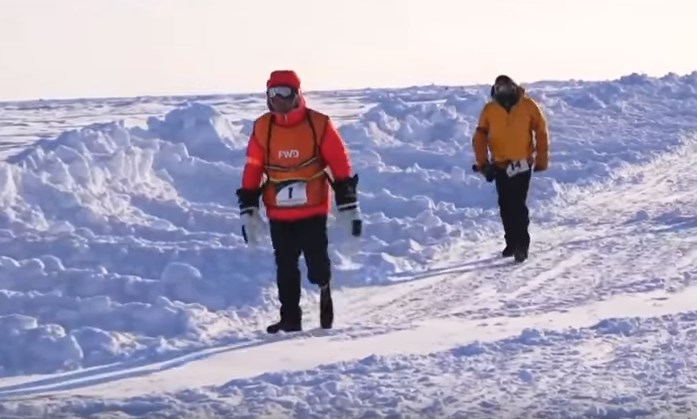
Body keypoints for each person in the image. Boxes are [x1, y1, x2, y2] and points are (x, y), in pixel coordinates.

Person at [235, 70, 362, 334]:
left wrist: (347, 200)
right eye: (273, 93)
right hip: (278, 212)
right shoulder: (262, 127)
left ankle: (324, 289)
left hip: (313, 209)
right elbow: (253, 166)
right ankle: (290, 317)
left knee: (316, 263)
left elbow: (339, 161)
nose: (278, 99)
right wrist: (248, 204)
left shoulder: (319, 124)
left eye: (284, 93)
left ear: (297, 95)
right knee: (285, 266)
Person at [471, 75, 549, 263]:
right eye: (500, 89)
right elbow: (480, 136)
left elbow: (541, 131)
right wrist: (483, 164)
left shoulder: (528, 106)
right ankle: (511, 242)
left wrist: (541, 160)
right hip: (500, 165)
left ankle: (522, 244)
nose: (504, 93)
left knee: (517, 204)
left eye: (507, 88)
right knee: (505, 204)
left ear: (514, 88)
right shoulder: (489, 110)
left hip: (522, 163)